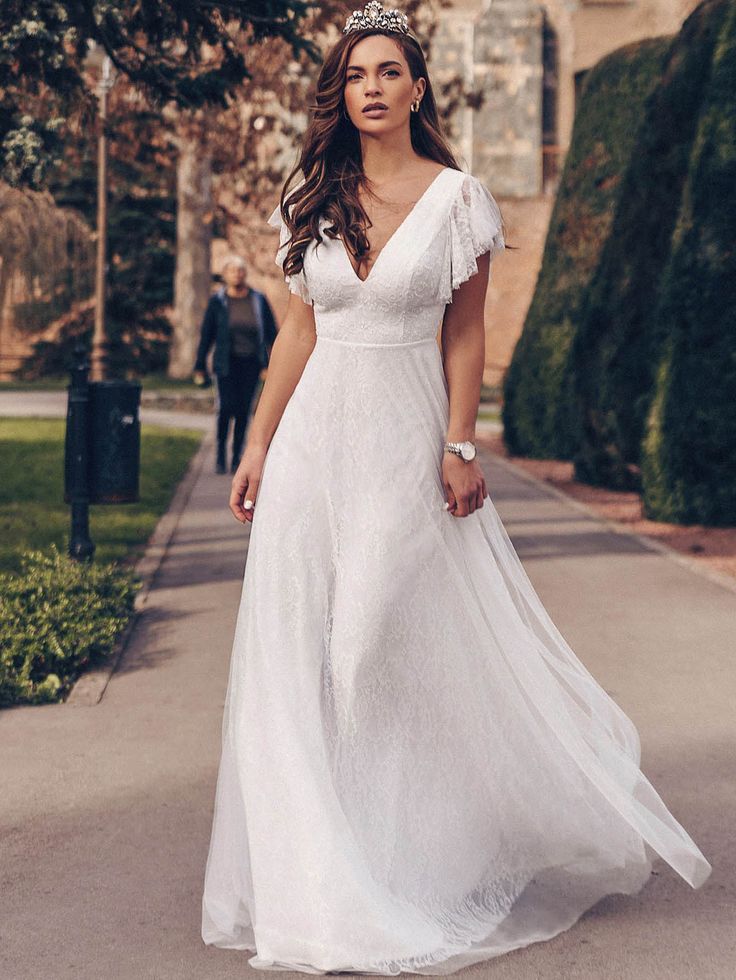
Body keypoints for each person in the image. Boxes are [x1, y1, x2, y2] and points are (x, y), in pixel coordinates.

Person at [201, 3, 711, 973]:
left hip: (401, 441)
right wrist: (258, 443)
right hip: (313, 445)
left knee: (367, 647)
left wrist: (459, 443)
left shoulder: (458, 200)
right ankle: (322, 871)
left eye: (389, 72)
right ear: (340, 92)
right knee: (298, 649)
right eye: (356, 75)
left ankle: (407, 858)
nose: (372, 89)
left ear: (417, 87)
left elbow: (464, 336)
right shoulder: (310, 194)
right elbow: (298, 336)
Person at [193, 254, 278, 473]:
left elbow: (271, 333)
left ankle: (236, 456)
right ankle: (220, 452)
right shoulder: (218, 302)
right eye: (232, 271)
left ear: (245, 274)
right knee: (225, 407)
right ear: (225, 275)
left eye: (240, 271)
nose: (237, 274)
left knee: (243, 410)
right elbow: (206, 334)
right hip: (225, 363)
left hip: (251, 362)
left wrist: (272, 364)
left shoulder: (258, 300)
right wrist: (200, 365)